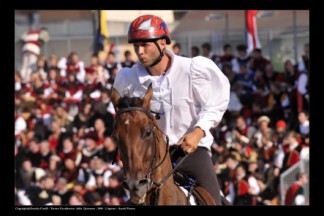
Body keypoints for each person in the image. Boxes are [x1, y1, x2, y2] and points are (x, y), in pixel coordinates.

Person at [112, 14, 230, 205]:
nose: (139, 52)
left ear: (162, 43)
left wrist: (199, 131)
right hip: (149, 155)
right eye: (135, 46)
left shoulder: (193, 68)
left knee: (213, 201)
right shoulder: (127, 78)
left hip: (190, 151)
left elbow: (218, 99)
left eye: (144, 45)